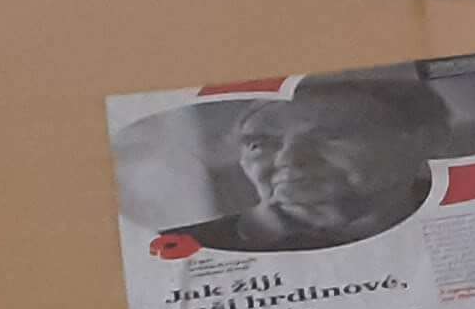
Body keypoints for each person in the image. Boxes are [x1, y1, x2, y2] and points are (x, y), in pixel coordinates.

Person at [179, 72, 440, 251]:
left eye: (331, 136)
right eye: (259, 145)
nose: (289, 160)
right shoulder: (192, 247)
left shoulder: (446, 219)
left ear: (421, 141)